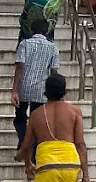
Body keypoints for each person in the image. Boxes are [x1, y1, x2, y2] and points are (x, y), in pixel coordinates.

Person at [12, 16, 61, 156]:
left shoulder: (24, 44)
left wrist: (14, 90)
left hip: (24, 87)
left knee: (20, 118)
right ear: (46, 31)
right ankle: (32, 149)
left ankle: (22, 140)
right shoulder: (53, 48)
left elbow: (19, 67)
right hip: (41, 90)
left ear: (31, 30)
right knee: (37, 120)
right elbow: (54, 71)